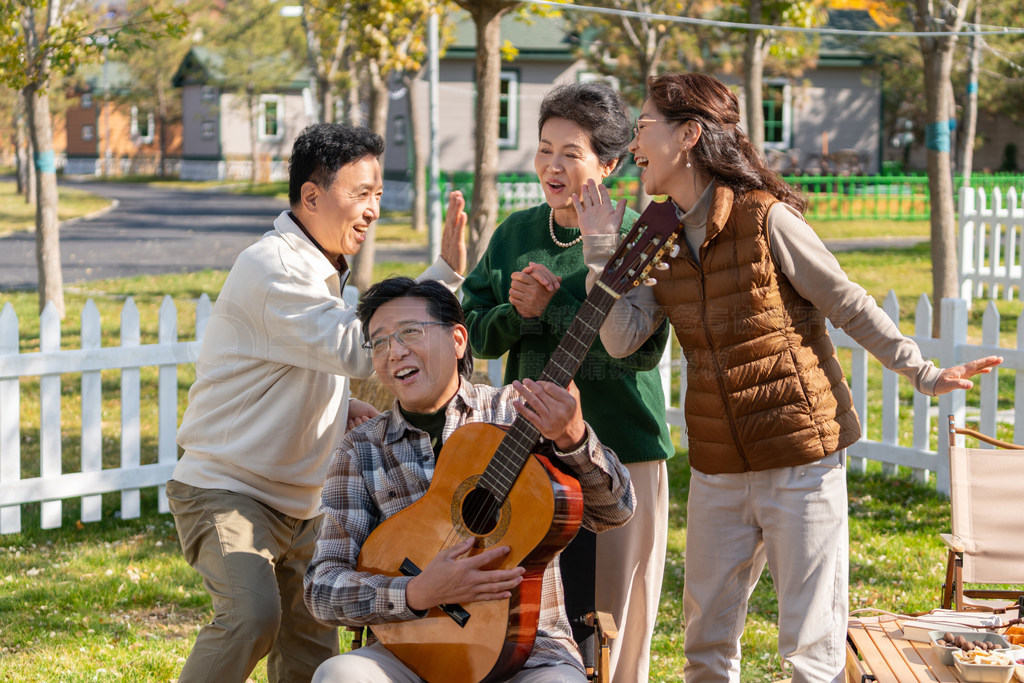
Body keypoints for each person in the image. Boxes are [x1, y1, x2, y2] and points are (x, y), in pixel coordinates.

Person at [575, 72, 1003, 683]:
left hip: (800, 458)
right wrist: (601, 249)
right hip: (718, 468)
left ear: (689, 135)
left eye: (644, 127)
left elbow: (847, 302)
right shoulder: (656, 232)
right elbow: (620, 338)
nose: (634, 142)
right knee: (705, 647)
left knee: (810, 650)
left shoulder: (765, 218)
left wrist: (923, 372)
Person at [167, 123, 468, 683]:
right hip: (229, 490)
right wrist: (444, 279)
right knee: (250, 617)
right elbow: (358, 349)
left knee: (311, 653)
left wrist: (339, 405)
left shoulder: (318, 267)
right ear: (311, 196)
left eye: (378, 194)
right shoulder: (277, 267)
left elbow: (309, 360)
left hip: (304, 503)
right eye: (360, 194)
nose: (374, 209)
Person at [304, 276, 635, 682]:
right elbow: (322, 587)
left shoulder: (519, 415)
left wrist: (574, 438)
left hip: (530, 653)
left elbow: (614, 513)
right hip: (410, 651)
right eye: (380, 341)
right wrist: (418, 592)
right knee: (340, 675)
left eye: (410, 332)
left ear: (458, 339)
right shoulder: (361, 449)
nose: (395, 351)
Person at [460, 82, 674, 683]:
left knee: (609, 622)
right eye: (544, 149)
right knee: (529, 616)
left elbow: (640, 354)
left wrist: (554, 309)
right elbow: (473, 335)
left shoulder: (642, 234)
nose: (553, 166)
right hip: (524, 456)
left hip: (621, 453)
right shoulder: (514, 233)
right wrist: (513, 314)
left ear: (607, 163)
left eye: (571, 153)